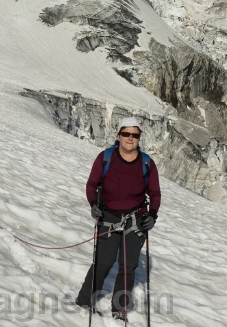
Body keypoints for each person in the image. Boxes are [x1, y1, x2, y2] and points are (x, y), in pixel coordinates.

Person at [76, 119, 160, 320]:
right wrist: (93, 205)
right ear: (118, 136)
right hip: (108, 217)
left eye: (135, 135)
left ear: (139, 138)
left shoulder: (146, 163)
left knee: (128, 265)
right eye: (126, 134)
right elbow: (91, 185)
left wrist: (153, 215)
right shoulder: (105, 158)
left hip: (136, 220)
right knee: (103, 262)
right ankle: (85, 300)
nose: (130, 139)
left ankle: (119, 307)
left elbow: (155, 193)